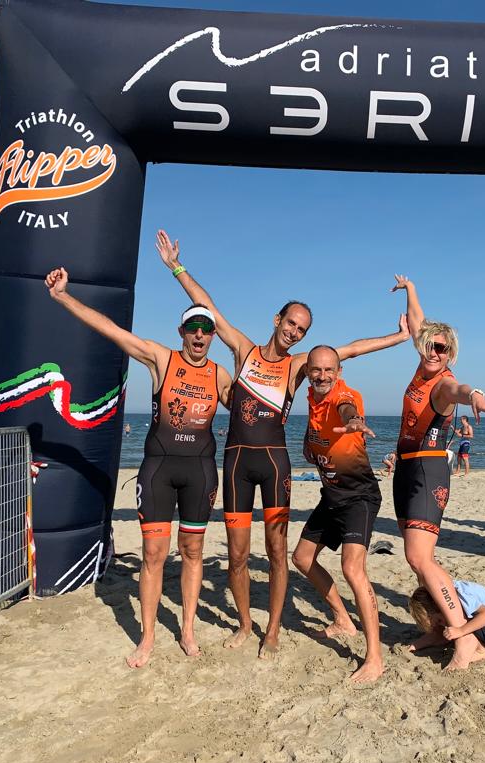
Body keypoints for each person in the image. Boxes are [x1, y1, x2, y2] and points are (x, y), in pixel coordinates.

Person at [158, 230, 409, 659]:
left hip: (275, 465)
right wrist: (176, 267)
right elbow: (210, 308)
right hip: (236, 465)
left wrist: (397, 338)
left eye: (302, 329)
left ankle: (272, 630)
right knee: (238, 555)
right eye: (291, 323)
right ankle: (245, 624)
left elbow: (348, 351)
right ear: (277, 320)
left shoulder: (298, 366)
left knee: (277, 551)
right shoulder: (244, 350)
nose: (295, 332)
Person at [45, 267, 232, 667]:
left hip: (200, 472)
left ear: (214, 336)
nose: (200, 335)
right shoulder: (161, 359)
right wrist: (62, 296)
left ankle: (187, 629)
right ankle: (147, 638)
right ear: (182, 332)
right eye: (193, 328)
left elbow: (254, 408)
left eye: (207, 329)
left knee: (193, 550)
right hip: (159, 469)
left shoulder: (220, 375)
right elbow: (111, 330)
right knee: (153, 554)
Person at [391, 274, 485, 670]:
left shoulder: (443, 383)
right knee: (416, 561)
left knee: (420, 557)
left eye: (441, 348)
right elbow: (417, 321)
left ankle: (465, 638)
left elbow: (460, 390)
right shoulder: (422, 367)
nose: (433, 351)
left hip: (428, 470)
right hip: (405, 470)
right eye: (428, 345)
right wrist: (410, 289)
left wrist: (475, 395)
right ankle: (440, 628)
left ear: (450, 354)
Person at [292, 345, 392, 683]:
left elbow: (347, 408)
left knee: (352, 568)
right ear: (308, 371)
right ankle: (343, 619)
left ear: (339, 372)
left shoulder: (345, 396)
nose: (322, 376)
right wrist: (309, 443)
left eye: (329, 370)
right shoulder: (311, 397)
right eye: (316, 370)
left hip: (359, 497)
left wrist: (354, 422)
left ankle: (374, 658)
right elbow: (316, 433)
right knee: (302, 558)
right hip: (332, 496)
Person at [408, 580, 485, 657]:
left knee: (461, 620)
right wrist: (417, 645)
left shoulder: (460, 597)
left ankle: (483, 650)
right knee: (453, 624)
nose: (442, 625)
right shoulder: (448, 590)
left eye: (439, 621)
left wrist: (461, 630)